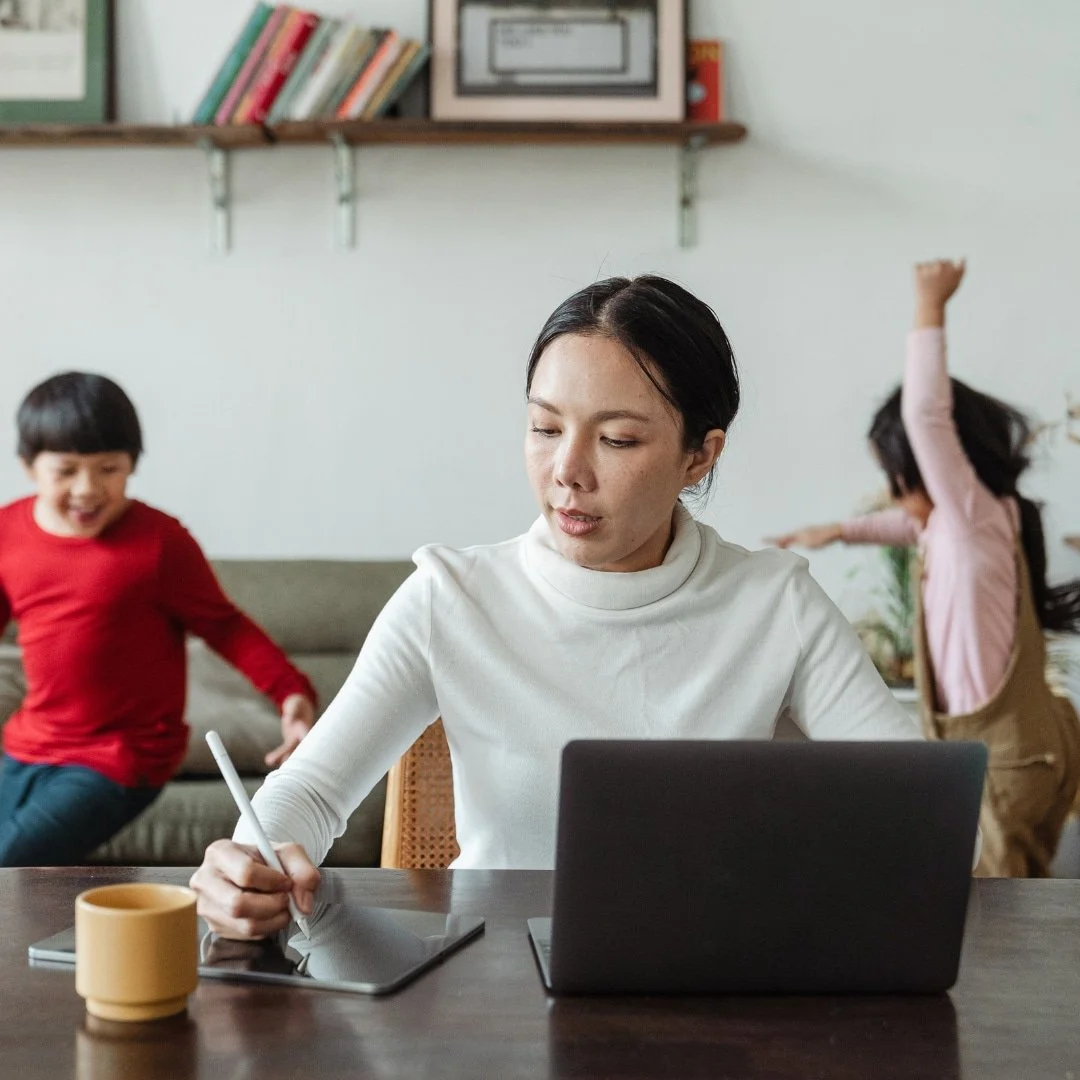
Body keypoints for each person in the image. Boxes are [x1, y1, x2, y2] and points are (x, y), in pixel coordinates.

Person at [191, 274, 922, 939]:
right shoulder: (452, 598)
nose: (567, 471)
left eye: (617, 439)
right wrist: (250, 860)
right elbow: (313, 790)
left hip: (713, 986)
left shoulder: (774, 603)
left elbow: (914, 804)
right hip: (494, 997)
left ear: (700, 456)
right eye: (544, 428)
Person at [769, 259, 1080, 877]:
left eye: (894, 475)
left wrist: (929, 304)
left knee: (997, 917)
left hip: (1005, 757)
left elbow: (924, 415)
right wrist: (839, 531)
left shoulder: (971, 513)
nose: (890, 492)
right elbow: (913, 525)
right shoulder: (973, 524)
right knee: (1015, 904)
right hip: (1020, 747)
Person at [0, 372, 318, 866]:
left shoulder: (159, 544)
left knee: (8, 861)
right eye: (65, 471)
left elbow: (225, 626)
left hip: (120, 758)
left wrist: (291, 693)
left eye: (108, 469)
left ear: (132, 466)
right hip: (28, 744)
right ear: (28, 466)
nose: (87, 489)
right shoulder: (7, 533)